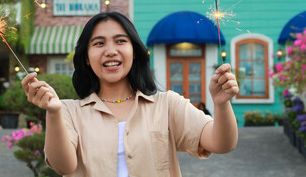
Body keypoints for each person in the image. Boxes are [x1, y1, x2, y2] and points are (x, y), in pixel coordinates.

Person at [21, 12, 239, 177]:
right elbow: (63, 166)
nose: (110, 51)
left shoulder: (167, 105)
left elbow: (222, 144)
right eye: (99, 43)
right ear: (86, 57)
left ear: (134, 52)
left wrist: (221, 104)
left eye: (120, 41)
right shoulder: (69, 111)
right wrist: (53, 112)